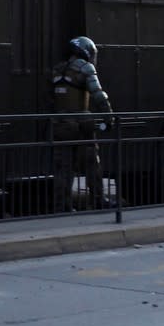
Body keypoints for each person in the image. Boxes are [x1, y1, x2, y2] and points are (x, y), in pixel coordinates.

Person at [51, 36, 113, 213]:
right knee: (92, 164)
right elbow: (99, 95)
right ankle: (98, 200)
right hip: (81, 124)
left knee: (63, 168)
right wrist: (109, 117)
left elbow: (50, 99)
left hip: (60, 124)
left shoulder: (57, 69)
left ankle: (62, 206)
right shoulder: (86, 68)